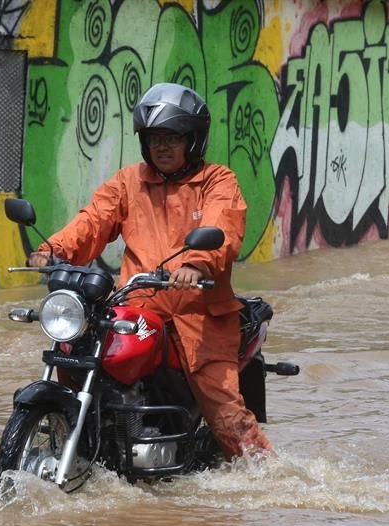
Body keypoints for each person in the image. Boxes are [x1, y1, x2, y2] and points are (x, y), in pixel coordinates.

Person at [27, 82, 272, 460]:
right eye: (155, 137)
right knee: (79, 355)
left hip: (200, 318)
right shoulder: (129, 181)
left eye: (172, 137)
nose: (162, 146)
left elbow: (222, 226)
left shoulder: (217, 180)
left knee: (225, 414)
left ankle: (265, 478)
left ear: (193, 140)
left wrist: (196, 264)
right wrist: (52, 250)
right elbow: (93, 221)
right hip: (137, 310)